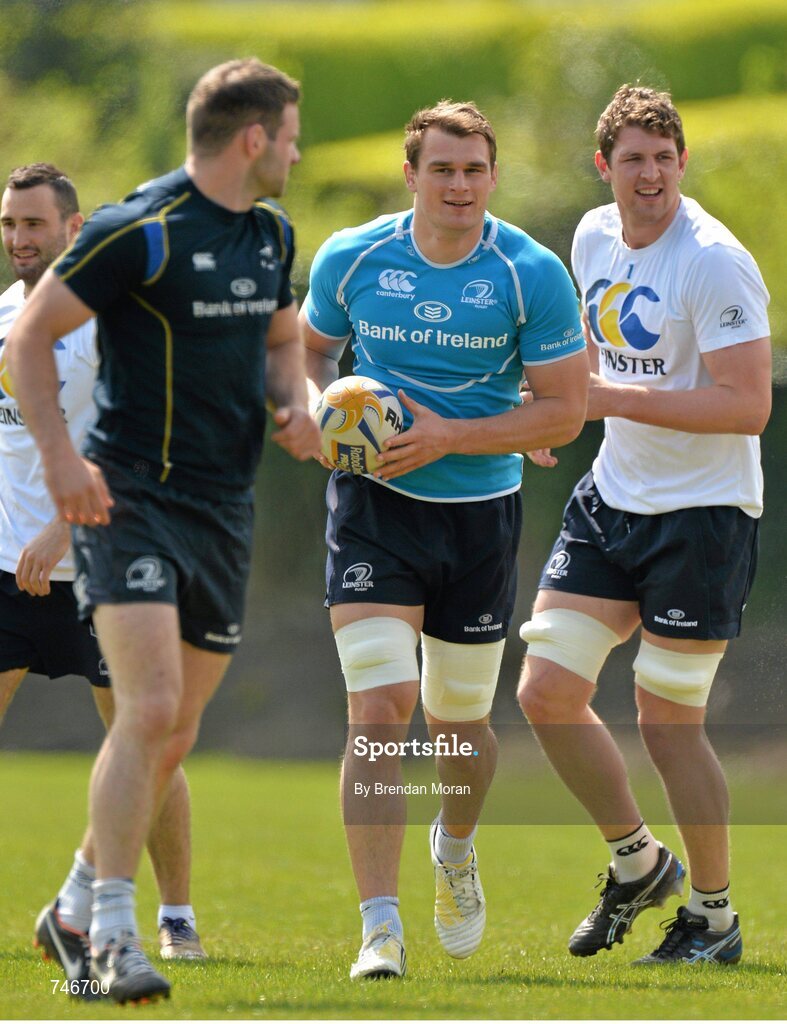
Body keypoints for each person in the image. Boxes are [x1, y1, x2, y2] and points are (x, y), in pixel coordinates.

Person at [6, 59, 320, 1005]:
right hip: (130, 501)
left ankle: (67, 903)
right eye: (293, 136)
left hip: (223, 512)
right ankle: (107, 935)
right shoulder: (133, 228)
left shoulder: (270, 233)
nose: (299, 152)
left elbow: (278, 342)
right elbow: (27, 339)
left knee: (173, 732)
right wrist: (63, 464)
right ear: (253, 138)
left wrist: (300, 403)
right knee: (145, 712)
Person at [300, 100, 588, 980]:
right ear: (410, 174)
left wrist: (453, 435)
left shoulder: (528, 274)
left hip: (478, 516)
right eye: (441, 169)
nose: (458, 185)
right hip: (372, 510)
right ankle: (377, 929)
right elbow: (309, 353)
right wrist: (320, 413)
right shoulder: (351, 256)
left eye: (472, 170)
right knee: (380, 709)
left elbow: (565, 411)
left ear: (491, 177)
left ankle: (454, 849)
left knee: (458, 722)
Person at [517, 84, 771, 965]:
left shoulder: (714, 261)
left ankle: (711, 915)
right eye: (633, 158)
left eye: (664, 157)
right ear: (605, 167)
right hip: (611, 498)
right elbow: (587, 354)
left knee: (668, 724)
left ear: (681, 163)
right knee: (545, 693)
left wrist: (599, 399)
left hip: (701, 518)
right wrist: (560, 416)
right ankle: (636, 863)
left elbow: (746, 407)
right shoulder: (591, 234)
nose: (650, 173)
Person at [0, 163, 206, 971]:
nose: (21, 239)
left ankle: (177, 917)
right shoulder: (4, 319)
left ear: (74, 229)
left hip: (100, 568)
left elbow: (137, 445)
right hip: (3, 570)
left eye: (35, 224)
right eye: (10, 225)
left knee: (144, 748)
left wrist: (60, 529)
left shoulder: (114, 324)